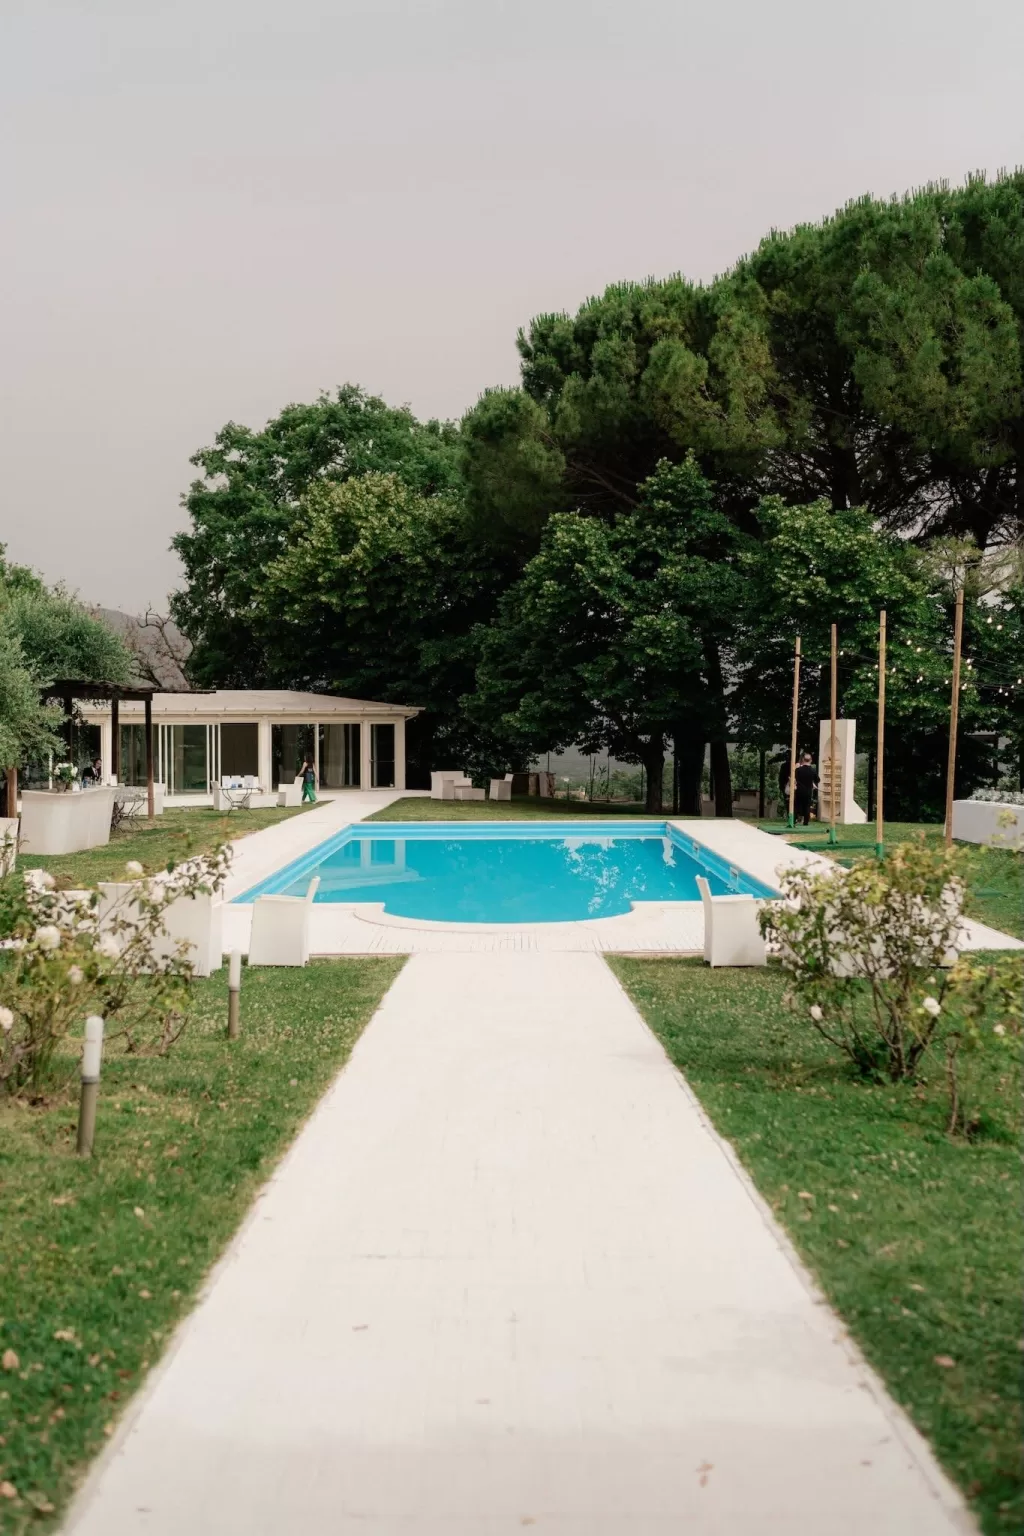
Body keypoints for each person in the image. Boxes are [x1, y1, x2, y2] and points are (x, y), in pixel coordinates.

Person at [793, 752, 818, 826]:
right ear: (810, 760)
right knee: (807, 806)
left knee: (797, 805)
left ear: (803, 759)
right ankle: (806, 822)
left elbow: (795, 778)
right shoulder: (813, 770)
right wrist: (812, 783)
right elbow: (817, 780)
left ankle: (794, 820)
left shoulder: (798, 770)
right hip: (808, 791)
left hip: (799, 790)